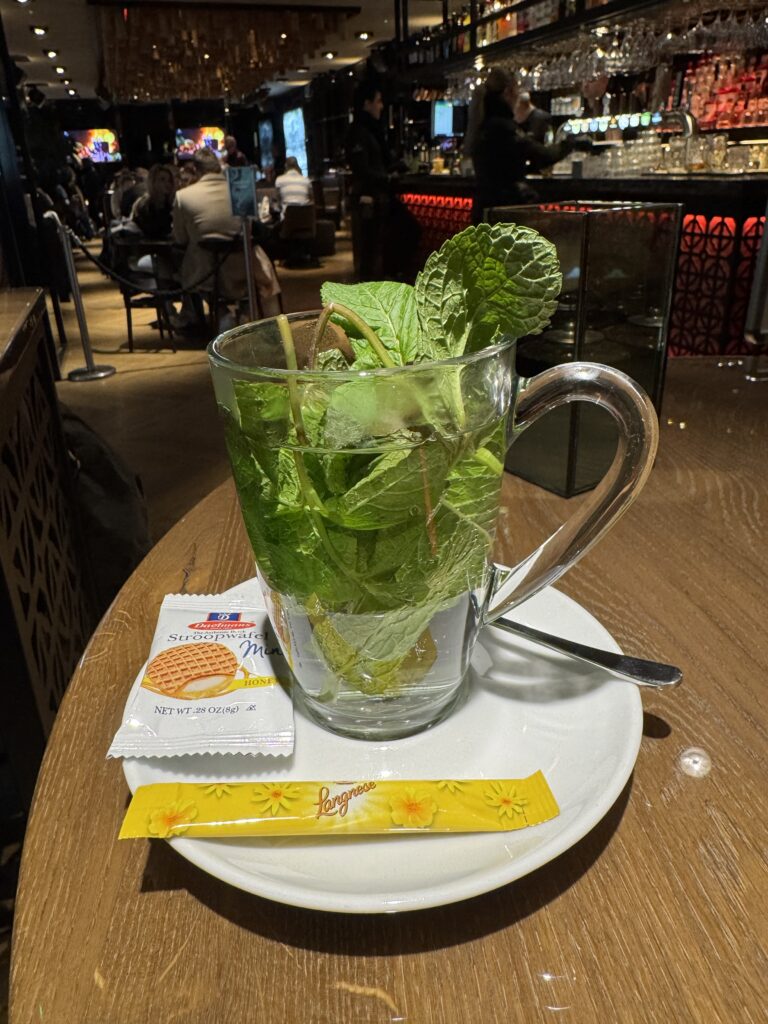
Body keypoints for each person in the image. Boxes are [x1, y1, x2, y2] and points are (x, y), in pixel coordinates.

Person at [172, 147, 281, 325]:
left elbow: (180, 238)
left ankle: (198, 317)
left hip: (205, 273)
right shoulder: (240, 189)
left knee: (184, 263)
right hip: (245, 267)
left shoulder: (183, 196)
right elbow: (250, 227)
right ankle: (267, 325)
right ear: (218, 167)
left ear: (195, 170)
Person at [470, 69, 589, 223]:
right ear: (507, 93)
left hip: (483, 210)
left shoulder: (483, 125)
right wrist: (571, 144)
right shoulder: (504, 127)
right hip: (505, 212)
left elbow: (502, 164)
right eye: (517, 92)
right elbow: (545, 156)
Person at [346, 80, 418, 281]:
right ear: (367, 103)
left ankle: (387, 284)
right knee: (373, 251)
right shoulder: (360, 132)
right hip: (371, 200)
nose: (381, 105)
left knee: (375, 249)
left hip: (379, 198)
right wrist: (388, 176)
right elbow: (363, 170)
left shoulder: (370, 130)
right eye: (378, 101)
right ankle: (386, 286)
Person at [130, 164, 176, 239]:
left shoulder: (171, 204)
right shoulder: (144, 205)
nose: (167, 184)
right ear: (153, 182)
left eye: (169, 180)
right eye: (162, 180)